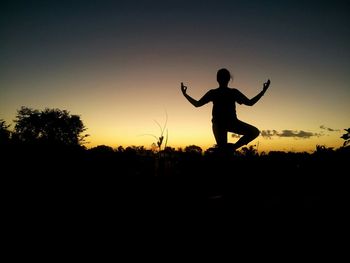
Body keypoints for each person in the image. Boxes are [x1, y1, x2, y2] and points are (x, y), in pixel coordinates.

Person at [181, 68, 270, 151]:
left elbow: (197, 104)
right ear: (228, 79)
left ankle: (232, 148)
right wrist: (263, 92)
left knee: (252, 133)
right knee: (253, 132)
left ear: (217, 79)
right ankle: (232, 148)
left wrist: (185, 95)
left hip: (225, 123)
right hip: (222, 124)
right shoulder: (228, 92)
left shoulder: (218, 92)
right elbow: (250, 103)